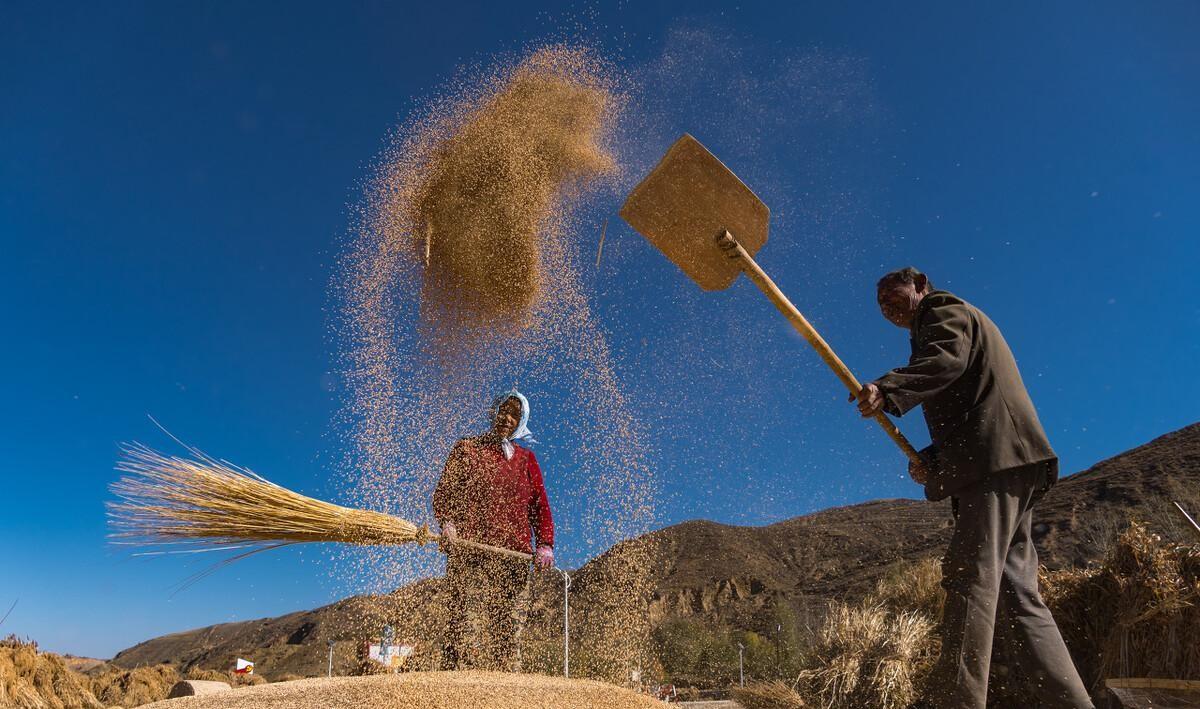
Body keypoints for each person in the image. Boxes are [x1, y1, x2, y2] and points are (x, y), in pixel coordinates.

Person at [852, 267, 1093, 709]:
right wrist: (934, 461)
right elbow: (973, 401)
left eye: (893, 292)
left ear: (921, 285)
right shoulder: (941, 326)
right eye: (879, 301)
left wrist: (887, 389)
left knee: (969, 579)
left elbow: (947, 361)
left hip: (995, 465)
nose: (887, 304)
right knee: (1017, 595)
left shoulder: (942, 310)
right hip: (1007, 464)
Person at [432, 389, 555, 671]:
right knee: (465, 628)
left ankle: (506, 691)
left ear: (522, 420)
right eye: (504, 410)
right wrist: (447, 522)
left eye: (515, 414)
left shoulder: (527, 460)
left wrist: (545, 543)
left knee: (508, 633)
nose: (508, 418)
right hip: (470, 552)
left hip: (513, 557)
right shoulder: (468, 448)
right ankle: (457, 690)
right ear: (493, 411)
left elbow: (539, 505)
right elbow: (444, 492)